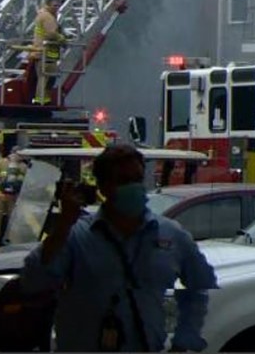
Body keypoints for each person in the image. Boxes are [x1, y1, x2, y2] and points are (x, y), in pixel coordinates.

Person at [19, 144, 217, 352]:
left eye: (137, 179)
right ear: (103, 188)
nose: (133, 187)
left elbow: (199, 287)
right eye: (123, 181)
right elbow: (33, 282)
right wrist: (62, 227)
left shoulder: (171, 235)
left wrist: (184, 341)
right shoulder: (76, 236)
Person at [0, 145, 28, 248]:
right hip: (11, 197)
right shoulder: (23, 166)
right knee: (12, 220)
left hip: (1, 195)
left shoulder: (2, 162)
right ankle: (12, 242)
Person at [28, 0, 66, 105]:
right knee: (47, 78)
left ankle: (41, 100)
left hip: (42, 53)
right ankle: (42, 102)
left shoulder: (43, 15)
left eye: (58, 6)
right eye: (54, 5)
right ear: (48, 5)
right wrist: (62, 39)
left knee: (43, 77)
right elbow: (51, 34)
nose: (57, 8)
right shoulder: (48, 17)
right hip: (46, 53)